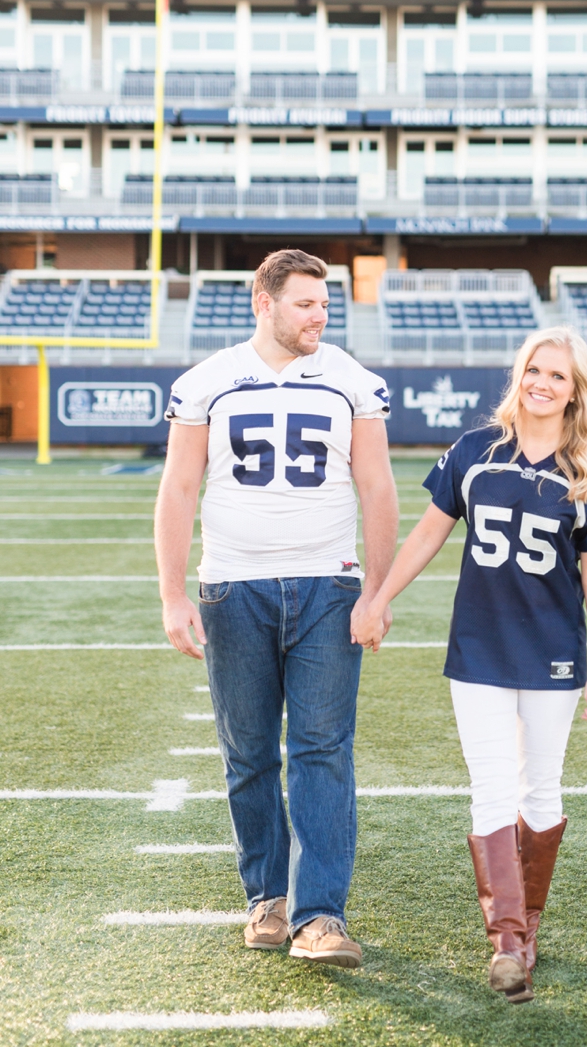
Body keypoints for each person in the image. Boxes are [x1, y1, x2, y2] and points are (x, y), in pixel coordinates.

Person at [351, 326, 587, 1003]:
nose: (542, 383)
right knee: (491, 787)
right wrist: (378, 597)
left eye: (557, 376)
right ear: (520, 375)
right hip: (478, 646)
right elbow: (427, 534)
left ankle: (527, 930)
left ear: (574, 392)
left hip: (554, 650)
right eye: (534, 370)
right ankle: (505, 940)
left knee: (542, 789)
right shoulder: (476, 451)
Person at [155, 248, 398, 969]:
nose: (319, 316)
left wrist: (379, 592)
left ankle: (320, 915)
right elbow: (178, 489)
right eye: (304, 304)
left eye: (325, 304)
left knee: (323, 751)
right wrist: (173, 594)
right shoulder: (208, 382)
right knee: (249, 751)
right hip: (233, 588)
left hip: (329, 584)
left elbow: (378, 488)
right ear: (264, 303)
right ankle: (267, 897)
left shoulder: (351, 380)